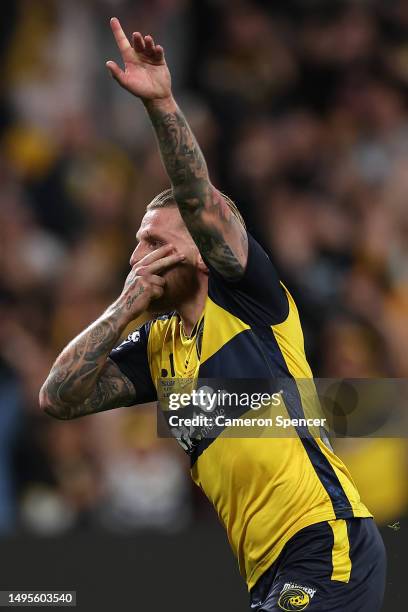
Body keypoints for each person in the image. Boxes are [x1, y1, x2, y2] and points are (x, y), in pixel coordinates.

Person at [39, 17, 386, 611]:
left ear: (201, 252)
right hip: (268, 571)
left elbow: (200, 202)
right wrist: (125, 308)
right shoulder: (158, 348)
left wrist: (162, 103)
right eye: (136, 244)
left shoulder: (249, 296)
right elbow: (57, 397)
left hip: (326, 542)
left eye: (154, 242)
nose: (136, 256)